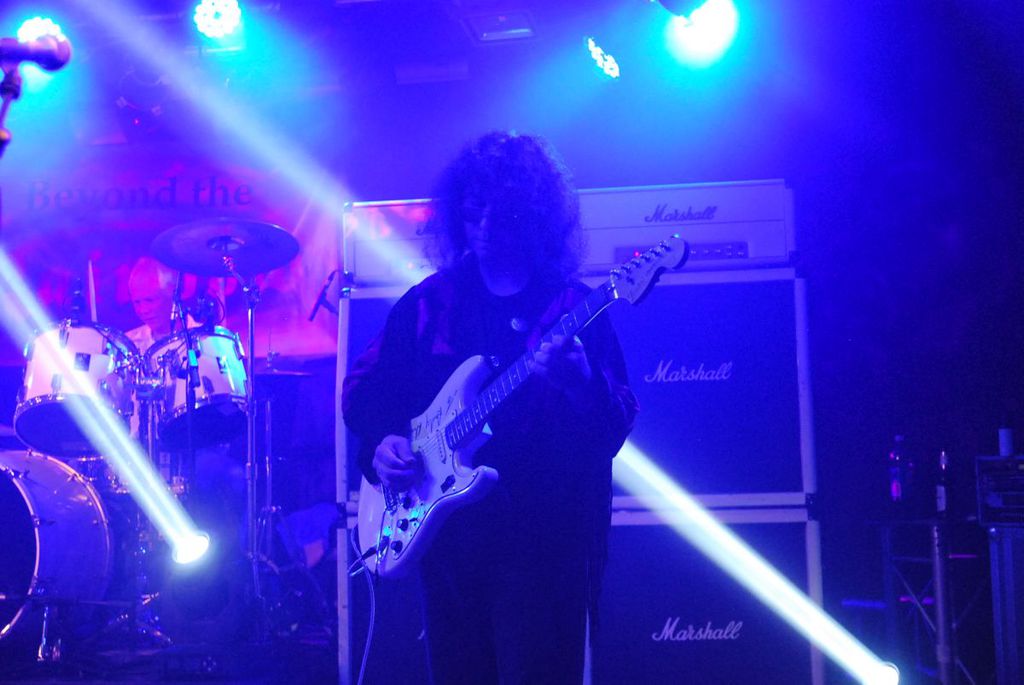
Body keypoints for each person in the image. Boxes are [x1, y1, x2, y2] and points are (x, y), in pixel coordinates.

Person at [342, 131, 638, 684]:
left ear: (534, 217)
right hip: (449, 543)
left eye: (501, 213)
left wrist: (580, 384)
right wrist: (383, 443)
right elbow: (366, 389)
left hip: (545, 543)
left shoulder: (571, 306)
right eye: (473, 210)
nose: (484, 226)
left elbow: (614, 427)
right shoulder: (428, 304)